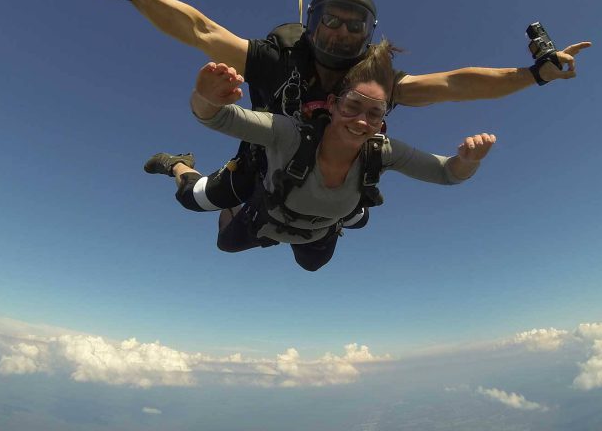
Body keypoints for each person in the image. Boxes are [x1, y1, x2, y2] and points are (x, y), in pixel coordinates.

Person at [87, 0, 588, 219]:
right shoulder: (276, 59)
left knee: (326, 237)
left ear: (370, 34)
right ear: (313, 22)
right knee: (192, 201)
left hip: (328, 184)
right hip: (261, 166)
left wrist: (533, 75)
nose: (343, 33)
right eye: (333, 20)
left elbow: (454, 84)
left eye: (357, 26)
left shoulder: (373, 84)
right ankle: (178, 163)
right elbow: (199, 30)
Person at [167, 40, 494, 271]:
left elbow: (447, 173)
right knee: (212, 225)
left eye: (375, 114)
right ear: (334, 105)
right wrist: (206, 97)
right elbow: (217, 117)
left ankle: (329, 219)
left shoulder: (382, 150)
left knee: (312, 264)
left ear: (383, 121)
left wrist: (467, 162)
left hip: (318, 230)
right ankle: (179, 165)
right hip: (266, 215)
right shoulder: (290, 133)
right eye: (353, 107)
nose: (362, 122)